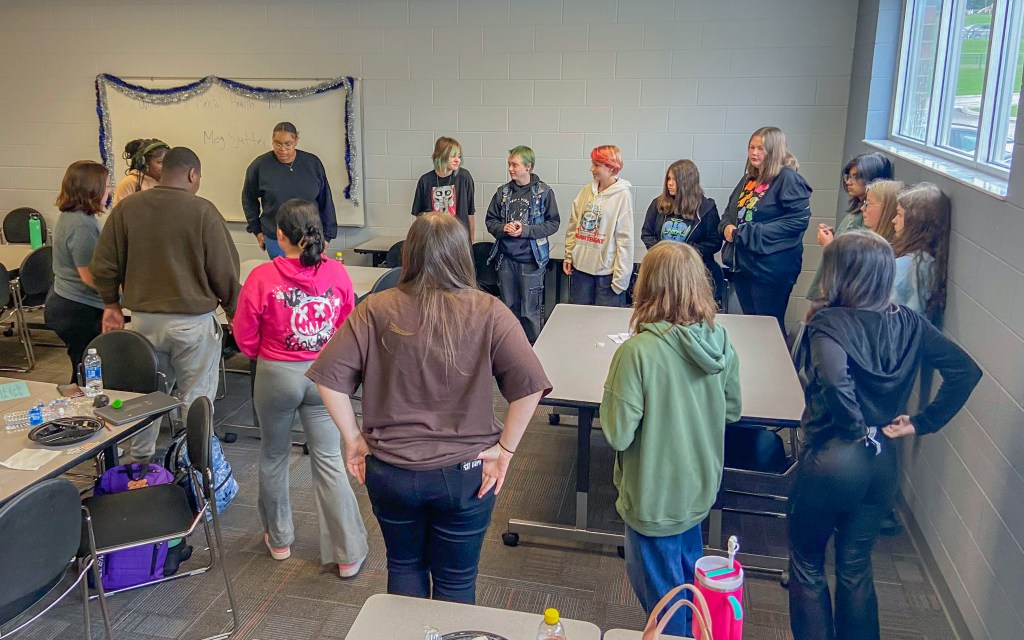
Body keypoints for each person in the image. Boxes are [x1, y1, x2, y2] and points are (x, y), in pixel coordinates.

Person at [307, 213, 550, 604]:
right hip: (465, 475)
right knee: (456, 582)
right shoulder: (490, 311)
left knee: (404, 569)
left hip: (390, 471)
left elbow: (328, 377)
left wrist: (353, 438)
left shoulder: (375, 308)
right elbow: (530, 387)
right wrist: (505, 451)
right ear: (462, 256)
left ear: (410, 254)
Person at [788, 231, 981, 640]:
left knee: (807, 566)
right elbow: (966, 371)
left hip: (835, 457)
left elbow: (836, 380)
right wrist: (921, 422)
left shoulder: (830, 322)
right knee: (855, 565)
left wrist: (855, 428)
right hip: (883, 461)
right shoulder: (909, 321)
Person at [601, 241, 741, 637]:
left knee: (663, 605)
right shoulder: (720, 341)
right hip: (698, 490)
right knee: (688, 589)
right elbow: (731, 411)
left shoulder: (636, 353)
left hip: (652, 498)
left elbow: (617, 432)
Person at [232, 199, 368, 577]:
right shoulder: (339, 274)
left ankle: (279, 540)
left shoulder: (260, 278)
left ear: (279, 235)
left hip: (276, 375)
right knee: (328, 459)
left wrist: (275, 353)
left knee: (274, 456)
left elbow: (243, 337)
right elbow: (347, 328)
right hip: (324, 377)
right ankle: (348, 553)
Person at [91, 147, 240, 464]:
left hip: (143, 321)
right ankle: (196, 467)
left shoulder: (127, 209)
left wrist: (111, 305)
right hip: (192, 322)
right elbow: (224, 271)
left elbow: (103, 265)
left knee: (147, 397)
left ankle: (138, 465)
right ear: (192, 175)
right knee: (196, 398)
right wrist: (233, 311)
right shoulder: (202, 211)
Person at [720, 126, 812, 333]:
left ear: (774, 151)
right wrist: (726, 226)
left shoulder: (788, 179)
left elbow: (796, 222)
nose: (754, 153)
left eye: (760, 148)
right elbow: (730, 211)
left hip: (770, 270)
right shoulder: (749, 180)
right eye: (751, 147)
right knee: (751, 324)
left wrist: (743, 233)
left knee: (767, 326)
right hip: (743, 266)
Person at [484, 145, 560, 343]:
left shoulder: (543, 192)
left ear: (528, 167)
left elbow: (553, 223)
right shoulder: (502, 193)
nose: (510, 168)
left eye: (515, 164)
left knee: (530, 312)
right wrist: (503, 228)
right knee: (508, 309)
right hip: (506, 260)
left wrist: (525, 230)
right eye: (509, 164)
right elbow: (490, 221)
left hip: (531, 261)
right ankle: (508, 349)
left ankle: (533, 350)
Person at [45, 161, 110, 382]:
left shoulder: (73, 216)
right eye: (107, 185)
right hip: (76, 309)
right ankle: (78, 413)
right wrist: (117, 296)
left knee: (83, 368)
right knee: (87, 373)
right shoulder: (81, 224)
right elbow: (89, 276)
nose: (109, 191)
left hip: (68, 302)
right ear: (93, 189)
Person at [243, 122, 337, 258]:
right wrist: (257, 230)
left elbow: (325, 200)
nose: (283, 149)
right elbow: (248, 199)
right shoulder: (259, 166)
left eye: (288, 144)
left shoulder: (312, 163)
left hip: (310, 236)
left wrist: (327, 235)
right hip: (276, 238)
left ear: (296, 141)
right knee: (283, 277)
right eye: (277, 144)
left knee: (309, 276)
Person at [807, 153, 893, 300]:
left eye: (856, 177)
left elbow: (855, 257)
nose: (849, 182)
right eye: (849, 176)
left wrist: (830, 245)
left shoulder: (870, 217)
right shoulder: (857, 210)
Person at [640, 159, 725, 306]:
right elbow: (647, 233)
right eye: (669, 179)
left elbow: (714, 241)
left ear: (687, 181)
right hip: (662, 270)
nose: (670, 183)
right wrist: (664, 253)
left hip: (694, 273)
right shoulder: (658, 204)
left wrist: (685, 255)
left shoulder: (706, 208)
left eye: (675, 179)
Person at [563, 145, 634, 307]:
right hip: (581, 270)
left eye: (596, 165)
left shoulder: (622, 195)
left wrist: (621, 279)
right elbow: (574, 224)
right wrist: (569, 255)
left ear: (610, 167)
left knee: (604, 324)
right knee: (580, 321)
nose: (591, 168)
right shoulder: (586, 190)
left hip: (606, 275)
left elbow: (625, 239)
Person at [892, 182, 950, 321]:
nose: (894, 220)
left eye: (899, 215)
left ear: (915, 222)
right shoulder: (928, 262)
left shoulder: (905, 266)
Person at [411, 136, 476, 240]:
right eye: (452, 156)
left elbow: (470, 212)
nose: (457, 160)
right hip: (434, 239)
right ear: (441, 156)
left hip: (459, 239)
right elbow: (419, 215)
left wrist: (471, 240)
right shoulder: (425, 180)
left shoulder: (464, 177)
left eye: (459, 156)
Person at [113, 138, 169, 205]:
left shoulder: (169, 183)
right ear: (144, 162)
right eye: (160, 162)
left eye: (168, 162)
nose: (165, 166)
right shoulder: (129, 183)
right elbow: (119, 212)